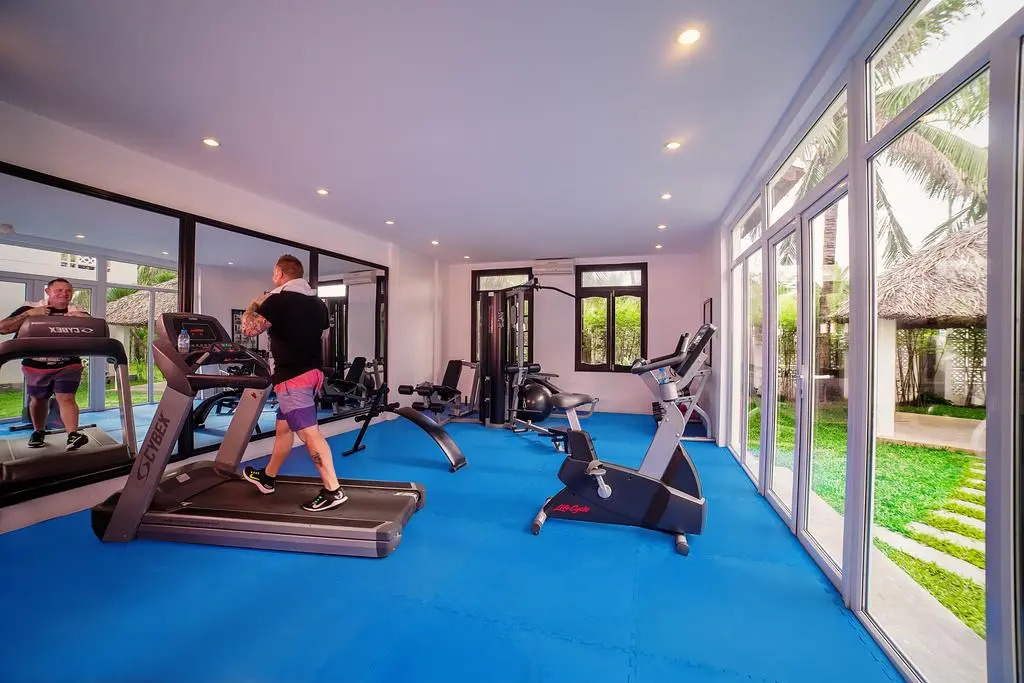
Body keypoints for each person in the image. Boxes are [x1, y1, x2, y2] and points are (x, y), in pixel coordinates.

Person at [239, 254, 347, 512]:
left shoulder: (277, 300)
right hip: (313, 373)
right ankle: (268, 477)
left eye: (273, 272)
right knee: (284, 429)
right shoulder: (318, 304)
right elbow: (323, 335)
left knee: (309, 433)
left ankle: (333, 490)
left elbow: (248, 330)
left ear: (279, 273)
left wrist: (255, 304)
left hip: (292, 378)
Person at [0, 278, 91, 450]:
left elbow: (94, 328)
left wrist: (84, 319)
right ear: (48, 292)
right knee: (38, 399)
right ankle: (38, 431)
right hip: (36, 364)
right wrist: (29, 314)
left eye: (68, 291)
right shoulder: (30, 307)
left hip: (68, 363)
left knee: (67, 397)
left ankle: (73, 435)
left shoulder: (76, 310)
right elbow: (3, 328)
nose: (64, 294)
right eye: (59, 290)